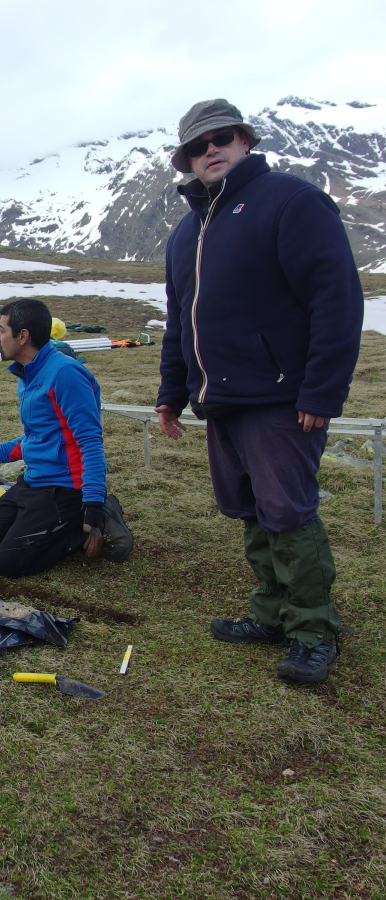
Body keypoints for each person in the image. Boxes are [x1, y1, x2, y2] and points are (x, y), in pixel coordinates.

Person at [155, 99, 363, 685]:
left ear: (244, 141)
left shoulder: (291, 201)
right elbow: (180, 321)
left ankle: (313, 630)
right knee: (250, 510)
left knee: (288, 513)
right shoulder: (186, 232)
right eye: (197, 146)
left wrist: (321, 392)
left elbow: (336, 299)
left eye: (221, 138)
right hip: (220, 399)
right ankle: (271, 613)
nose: (210, 151)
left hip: (279, 398)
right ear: (187, 160)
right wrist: (172, 391)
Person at [0, 299, 132, 576]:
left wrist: (93, 502)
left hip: (66, 489)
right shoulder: (28, 374)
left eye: (1, 330)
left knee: (10, 564)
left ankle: (94, 518)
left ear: (23, 336)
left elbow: (90, 443)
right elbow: (39, 437)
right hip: (33, 481)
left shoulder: (65, 374)